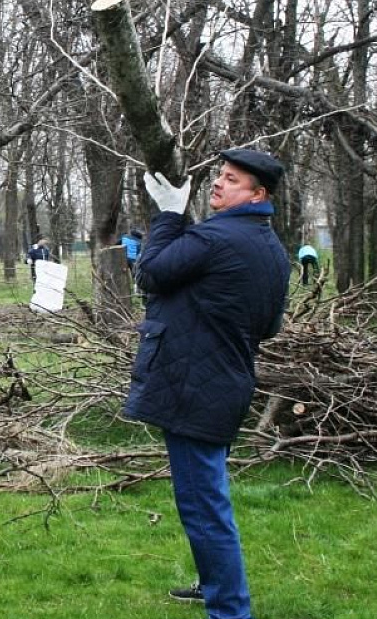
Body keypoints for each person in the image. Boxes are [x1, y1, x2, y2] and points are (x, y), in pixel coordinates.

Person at [125, 149, 290, 619]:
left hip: (194, 387)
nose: (218, 182)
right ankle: (214, 584)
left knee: (204, 506)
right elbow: (269, 326)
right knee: (206, 498)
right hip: (228, 382)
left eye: (232, 179)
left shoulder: (214, 237)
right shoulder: (273, 250)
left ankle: (230, 610)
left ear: (257, 194)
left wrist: (169, 216)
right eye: (220, 175)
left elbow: (150, 273)